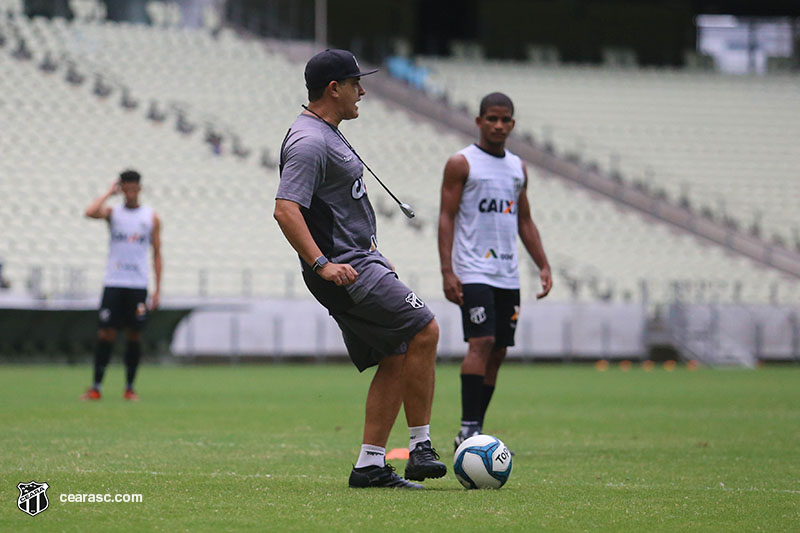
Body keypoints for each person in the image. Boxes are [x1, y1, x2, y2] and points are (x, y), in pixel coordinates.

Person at [273, 49, 446, 489]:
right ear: (334, 89)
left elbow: (336, 208)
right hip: (345, 269)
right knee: (425, 329)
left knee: (397, 353)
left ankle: (370, 466)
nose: (362, 92)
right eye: (355, 84)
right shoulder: (309, 141)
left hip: (358, 261)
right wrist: (323, 264)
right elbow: (286, 210)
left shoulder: (325, 133)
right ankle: (421, 447)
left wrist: (372, 252)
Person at [438, 92, 553, 450]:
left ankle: (476, 430)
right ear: (479, 121)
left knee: (499, 350)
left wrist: (543, 263)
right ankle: (468, 430)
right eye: (492, 118)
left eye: (505, 120)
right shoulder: (462, 163)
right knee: (482, 342)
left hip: (507, 273)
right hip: (473, 270)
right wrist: (447, 270)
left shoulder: (518, 168)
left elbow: (524, 220)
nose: (499, 125)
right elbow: (446, 216)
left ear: (513, 124)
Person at [81, 170, 162, 401]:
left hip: (137, 284)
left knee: (134, 335)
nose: (130, 193)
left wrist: (157, 289)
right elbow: (89, 212)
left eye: (134, 188)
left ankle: (129, 387)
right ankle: (96, 387)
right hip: (114, 282)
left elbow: (157, 254)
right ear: (122, 189)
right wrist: (109, 192)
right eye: (126, 188)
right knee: (106, 333)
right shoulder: (113, 212)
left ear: (140, 188)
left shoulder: (150, 217)